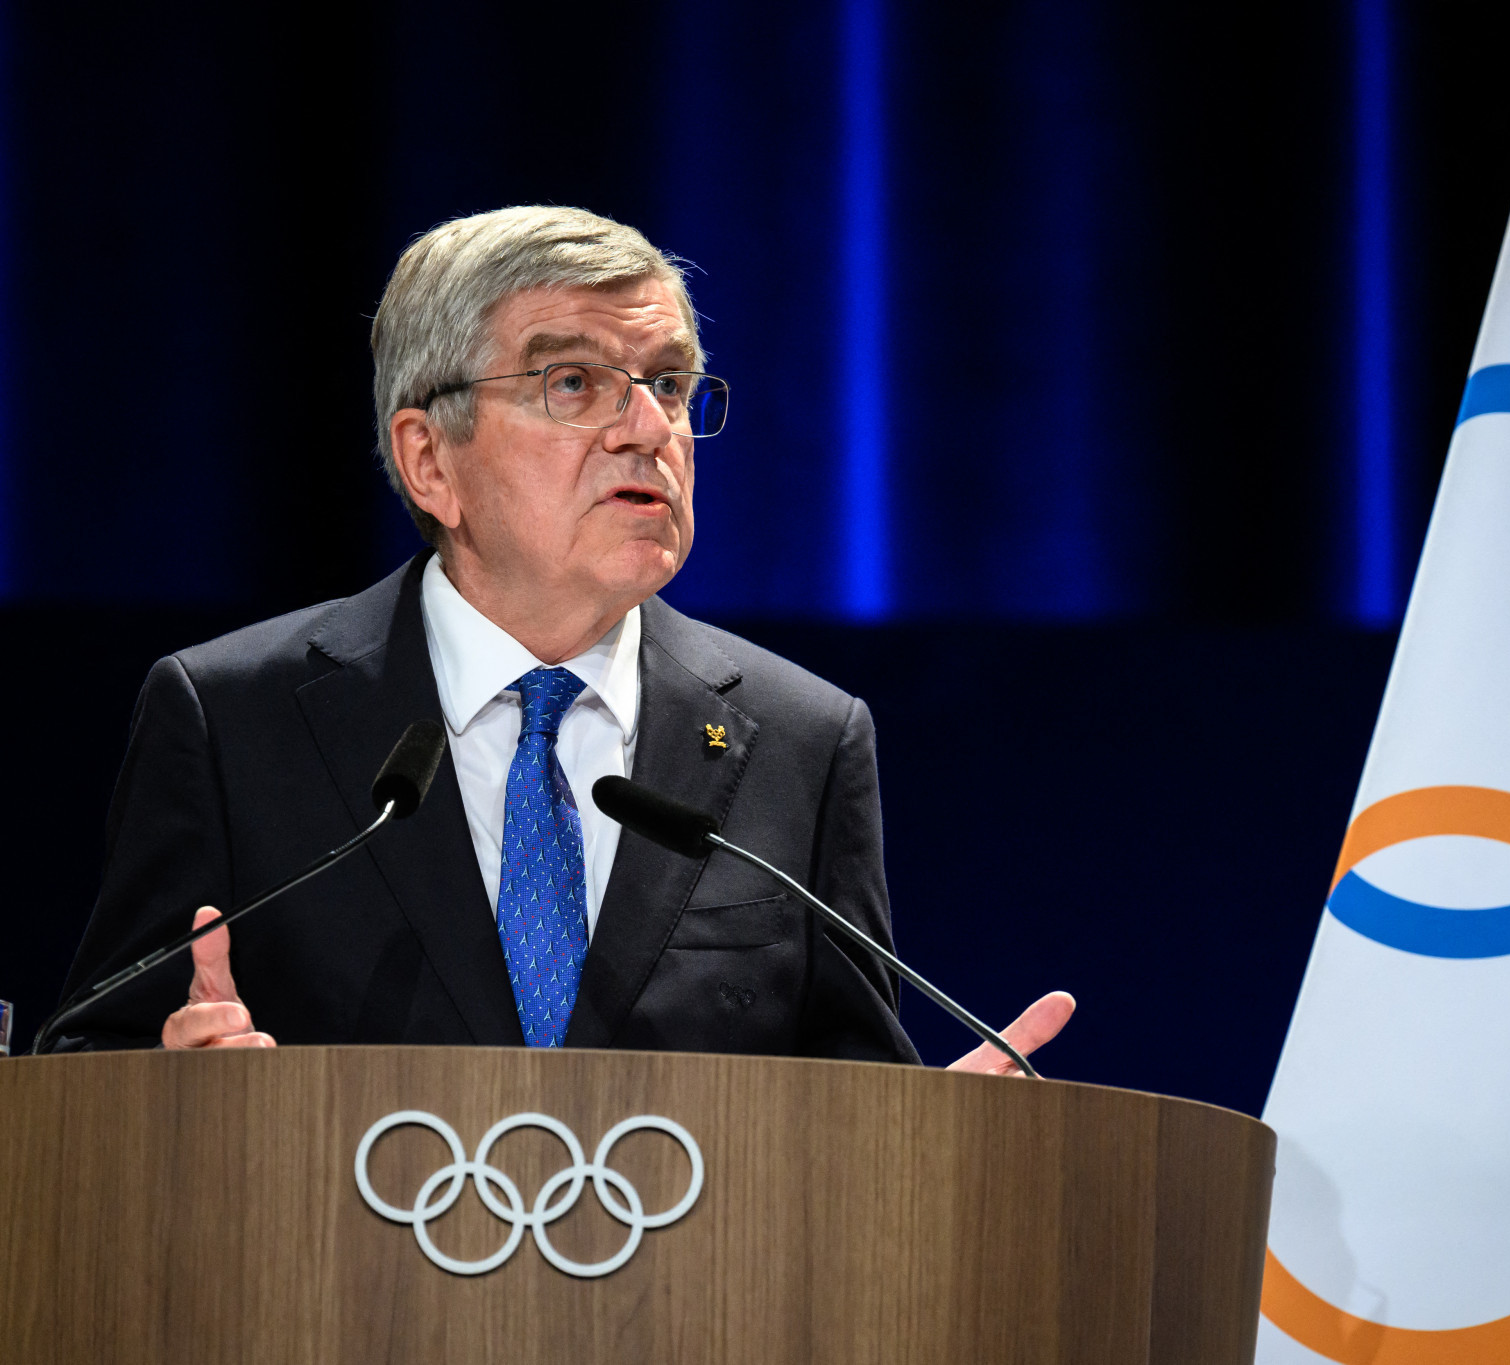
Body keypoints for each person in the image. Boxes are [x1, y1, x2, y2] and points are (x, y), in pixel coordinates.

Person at [54, 206, 1071, 1072]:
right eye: (573, 384)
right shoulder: (233, 717)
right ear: (428, 461)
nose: (646, 429)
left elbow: (851, 1102)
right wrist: (176, 1094)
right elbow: (82, 1078)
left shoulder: (801, 738)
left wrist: (935, 1141)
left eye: (668, 384)